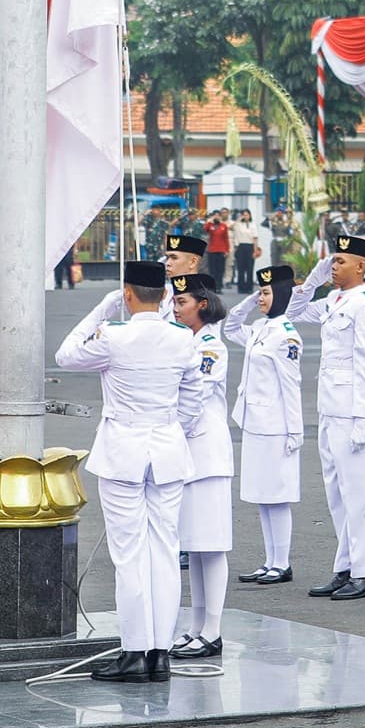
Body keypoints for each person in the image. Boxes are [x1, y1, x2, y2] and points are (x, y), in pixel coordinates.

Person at [55, 260, 204, 684]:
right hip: (168, 449)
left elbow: (65, 355)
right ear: (164, 296)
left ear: (128, 293)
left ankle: (134, 651)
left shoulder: (115, 337)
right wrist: (173, 427)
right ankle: (160, 653)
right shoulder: (181, 339)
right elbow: (194, 395)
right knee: (163, 550)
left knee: (129, 554)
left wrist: (102, 309)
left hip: (124, 452)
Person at [287, 234, 365, 600]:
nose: (334, 266)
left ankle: (364, 572)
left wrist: (361, 417)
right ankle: (344, 566)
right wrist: (312, 280)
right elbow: (293, 312)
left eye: (340, 261)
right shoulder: (332, 300)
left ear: (360, 266)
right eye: (332, 260)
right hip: (329, 407)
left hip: (353, 410)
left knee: (359, 493)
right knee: (337, 493)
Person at [168, 272, 233, 660]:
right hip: (189, 454)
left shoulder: (211, 346)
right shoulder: (186, 341)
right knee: (194, 546)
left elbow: (197, 393)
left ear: (202, 305)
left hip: (206, 453)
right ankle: (197, 625)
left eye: (182, 303)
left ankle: (213, 630)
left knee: (211, 546)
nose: (175, 309)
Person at [228, 265, 304, 587]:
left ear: (283, 295)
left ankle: (282, 563)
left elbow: (292, 385)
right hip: (255, 423)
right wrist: (250, 299)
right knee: (262, 496)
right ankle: (270, 560)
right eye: (260, 291)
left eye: (267, 292)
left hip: (276, 426)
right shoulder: (261, 327)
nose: (261, 297)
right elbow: (231, 327)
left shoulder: (287, 336)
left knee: (277, 495)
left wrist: (295, 431)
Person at [231, 211, 260, 294]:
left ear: (250, 215)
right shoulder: (239, 224)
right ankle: (241, 287)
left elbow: (255, 238)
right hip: (241, 246)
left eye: (247, 215)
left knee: (250, 268)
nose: (245, 216)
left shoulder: (252, 225)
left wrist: (255, 250)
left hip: (250, 246)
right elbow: (231, 227)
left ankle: (249, 287)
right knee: (241, 268)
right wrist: (239, 219)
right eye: (244, 215)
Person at [202, 211, 231, 287]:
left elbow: (226, 239)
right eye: (215, 215)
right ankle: (213, 286)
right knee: (212, 270)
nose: (217, 217)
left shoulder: (223, 226)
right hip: (212, 250)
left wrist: (227, 250)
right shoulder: (210, 225)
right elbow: (205, 229)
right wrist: (209, 221)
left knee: (220, 269)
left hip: (221, 250)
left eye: (218, 215)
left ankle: (219, 285)